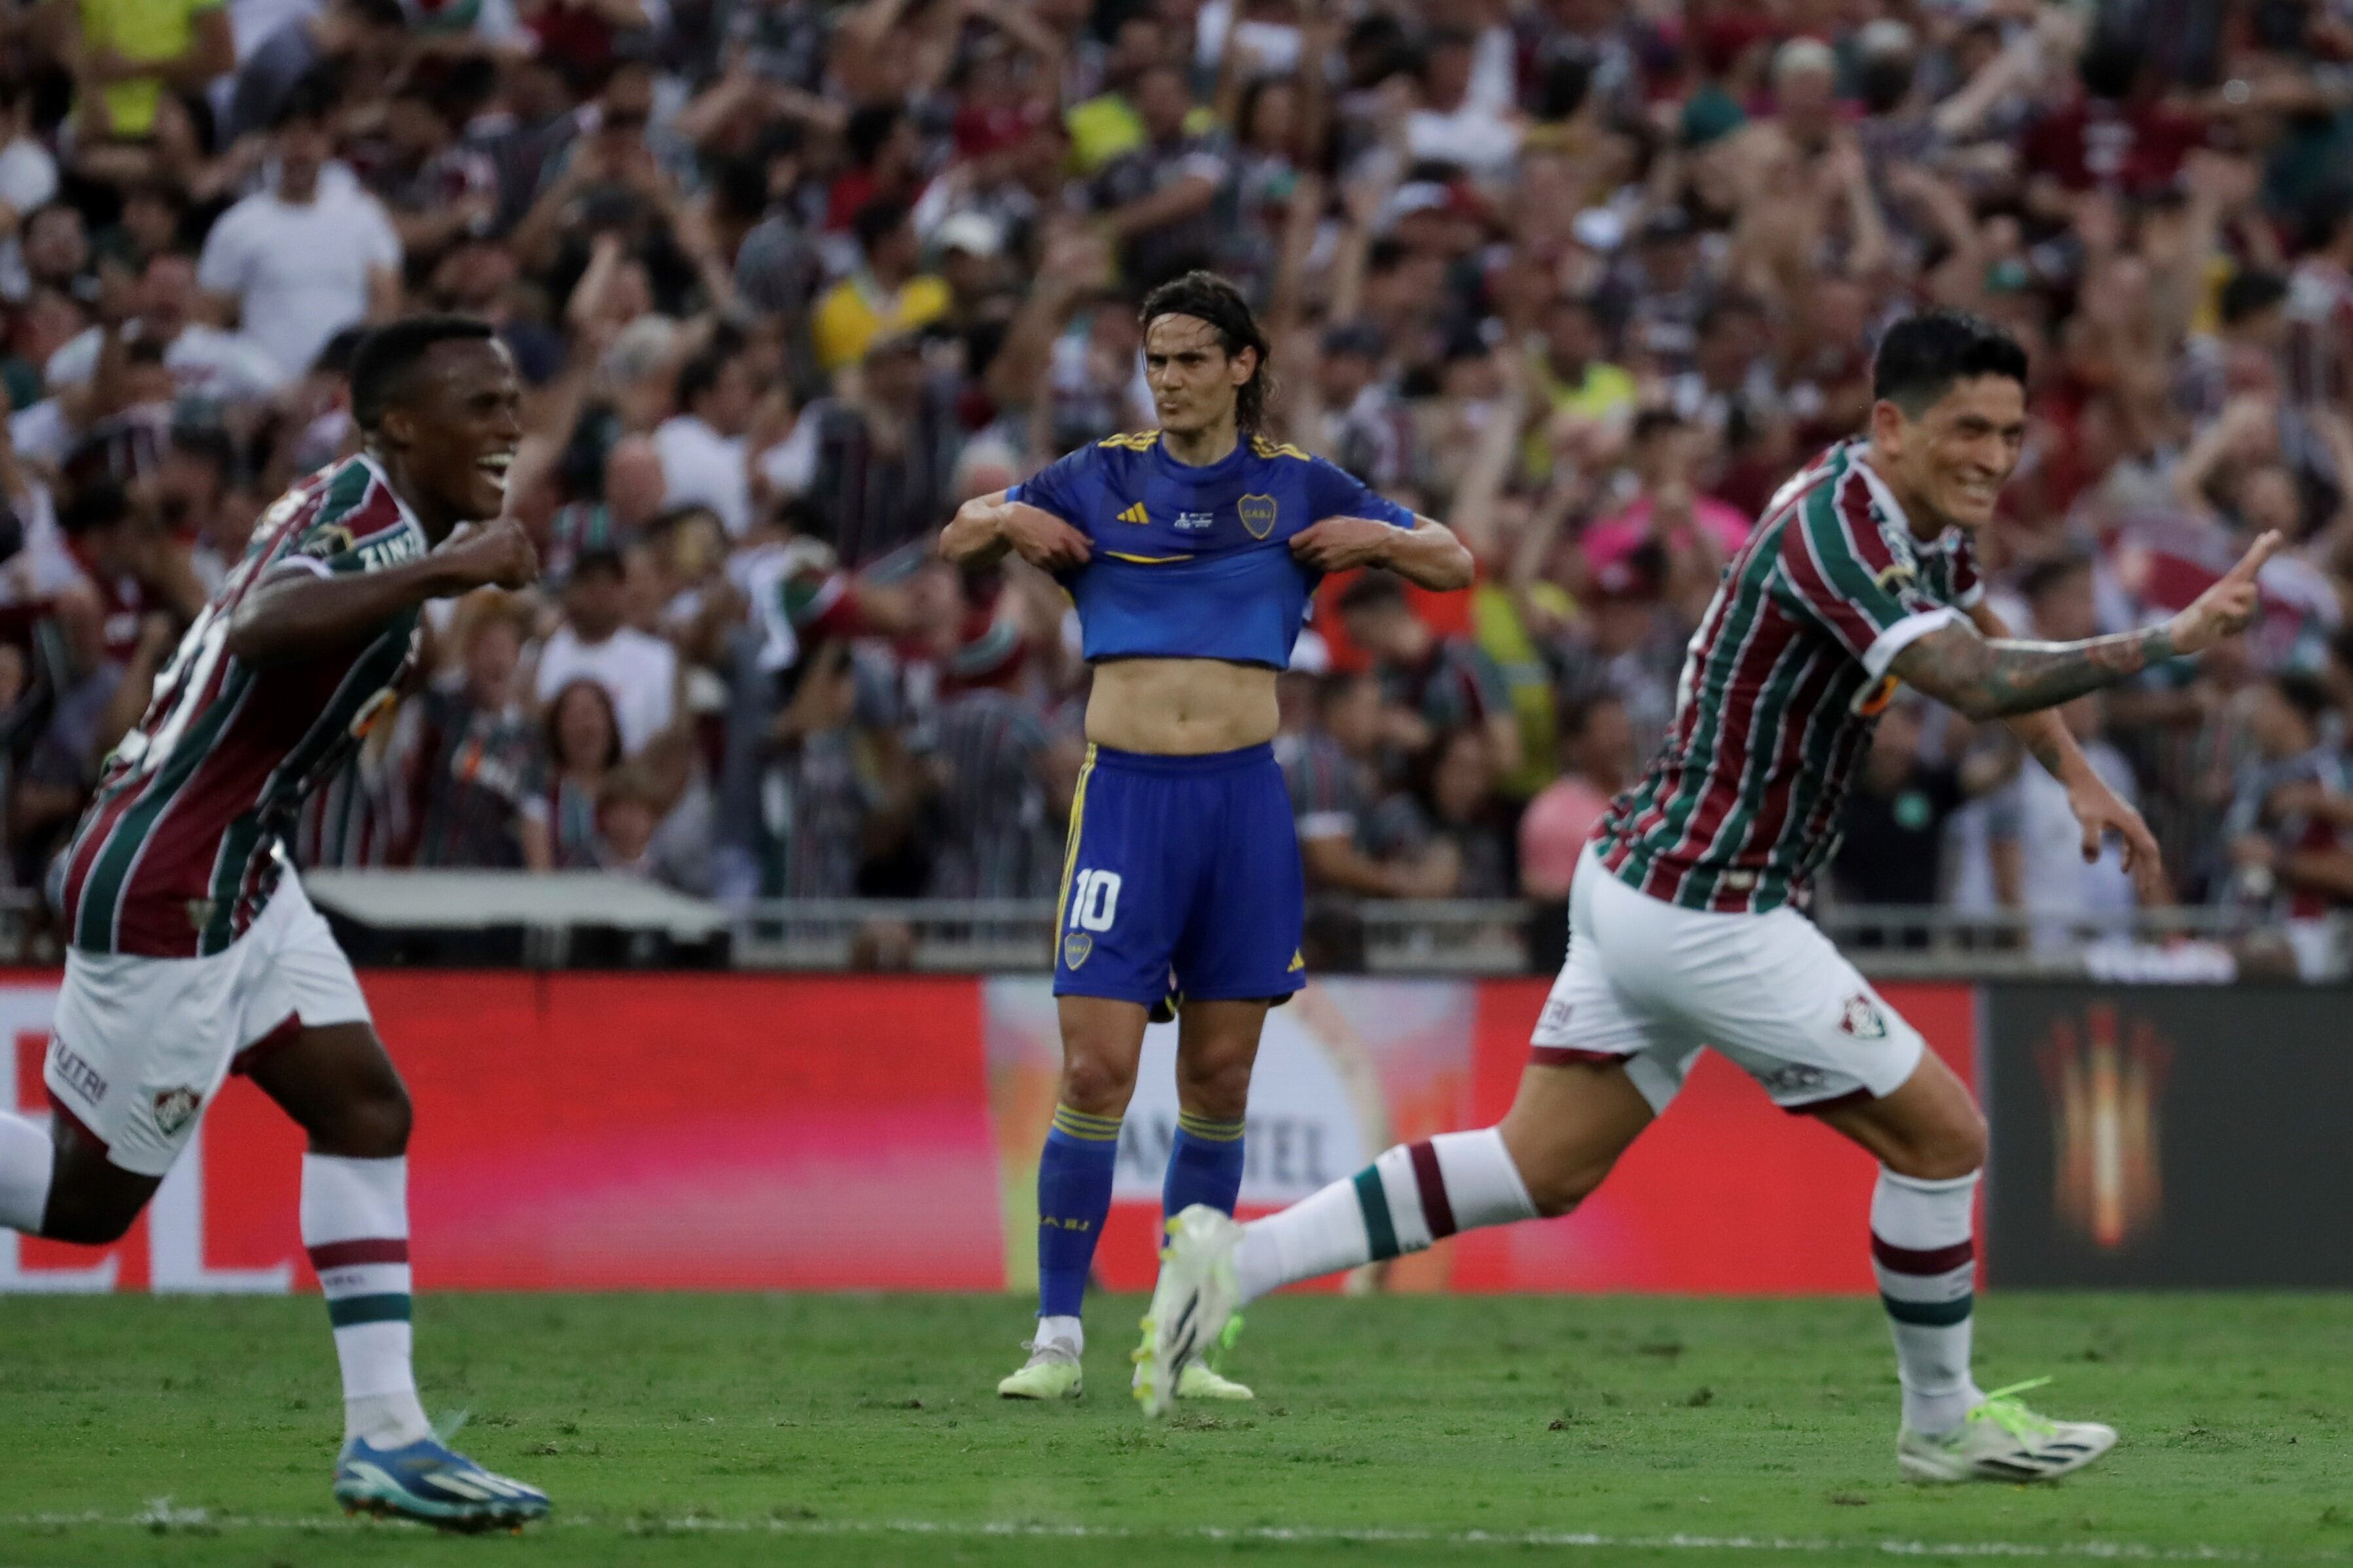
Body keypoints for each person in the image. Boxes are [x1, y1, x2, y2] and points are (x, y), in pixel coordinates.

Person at [1134, 309, 2278, 1484]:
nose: (1994, 456)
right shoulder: (1838, 535)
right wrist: (2167, 638)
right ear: (1892, 426)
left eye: (2011, 433)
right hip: (1710, 904)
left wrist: (2078, 771)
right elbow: (1971, 677)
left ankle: (1233, 1259)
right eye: (1968, 430)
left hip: (1644, 877)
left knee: (1540, 1166)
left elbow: (1976, 622)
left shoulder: (1900, 512)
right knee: (1944, 1139)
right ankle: (1942, 1424)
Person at [0, 317, 548, 1527]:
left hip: (247, 866)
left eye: (515, 403)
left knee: (365, 1107)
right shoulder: (373, 531)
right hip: (178, 880)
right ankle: (389, 1438)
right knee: (85, 1204)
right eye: (485, 405)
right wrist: (446, 573)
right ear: (401, 421)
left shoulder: (356, 502)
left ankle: (389, 1441)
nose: (510, 427)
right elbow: (260, 626)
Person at [940, 269, 1471, 1402]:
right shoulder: (1097, 476)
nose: (1169, 380)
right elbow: (956, 541)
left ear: (1243, 366)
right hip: (1127, 800)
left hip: (1242, 806)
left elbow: (1455, 560)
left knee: (1221, 1081)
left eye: (1191, 359)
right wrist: (1000, 516)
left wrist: (1373, 543)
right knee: (1093, 1067)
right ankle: (1055, 1339)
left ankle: (1179, 1344)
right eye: (1156, 359)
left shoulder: (1296, 487)